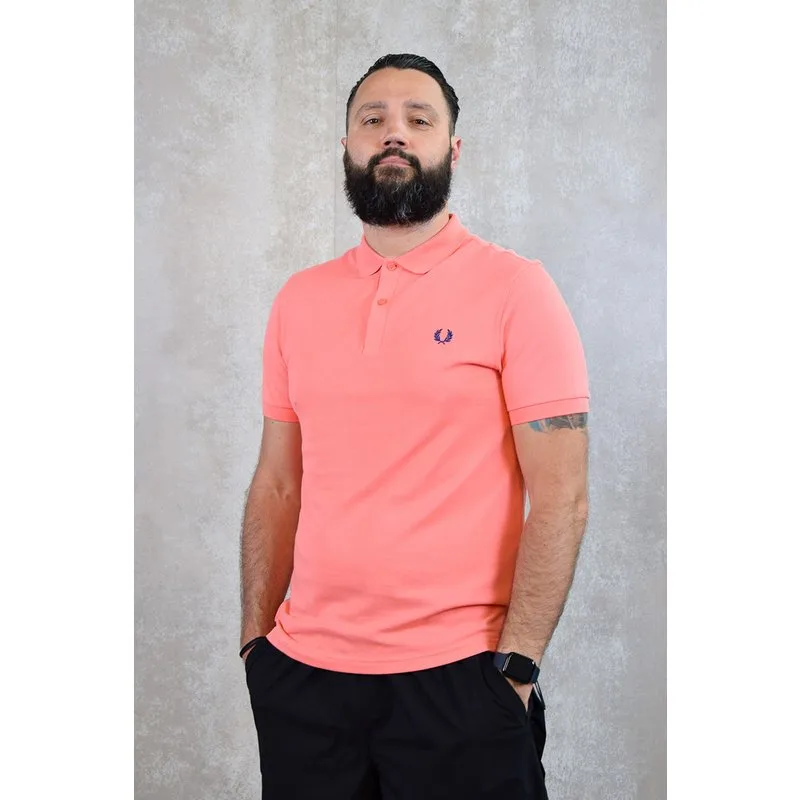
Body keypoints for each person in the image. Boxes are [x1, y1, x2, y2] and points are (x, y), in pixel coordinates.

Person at [239, 53, 589, 800]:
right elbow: (277, 483)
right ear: (347, 146)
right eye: (373, 119)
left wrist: (518, 667)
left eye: (418, 119)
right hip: (304, 683)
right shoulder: (299, 300)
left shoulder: (517, 289)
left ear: (453, 149)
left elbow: (561, 495)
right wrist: (255, 644)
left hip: (462, 682)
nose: (393, 132)